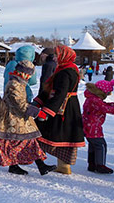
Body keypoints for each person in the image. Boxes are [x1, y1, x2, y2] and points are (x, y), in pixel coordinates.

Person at [0, 60, 55, 176]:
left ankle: (40, 166)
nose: (29, 77)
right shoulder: (14, 84)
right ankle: (15, 166)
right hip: (12, 119)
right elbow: (20, 104)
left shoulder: (19, 83)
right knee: (13, 142)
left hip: (19, 118)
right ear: (23, 73)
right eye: (28, 74)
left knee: (29, 140)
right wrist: (38, 112)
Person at [33, 45, 85, 175]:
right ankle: (63, 165)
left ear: (64, 56)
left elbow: (60, 93)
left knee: (52, 131)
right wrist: (38, 102)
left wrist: (47, 111)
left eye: (57, 55)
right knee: (65, 134)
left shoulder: (65, 72)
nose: (55, 58)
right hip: (68, 105)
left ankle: (56, 164)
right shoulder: (68, 69)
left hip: (63, 107)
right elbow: (51, 90)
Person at [82, 80, 114, 174]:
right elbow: (105, 108)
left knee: (93, 145)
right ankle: (100, 165)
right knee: (101, 145)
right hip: (93, 127)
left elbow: (104, 105)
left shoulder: (92, 98)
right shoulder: (95, 100)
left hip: (89, 125)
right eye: (107, 93)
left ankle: (92, 164)